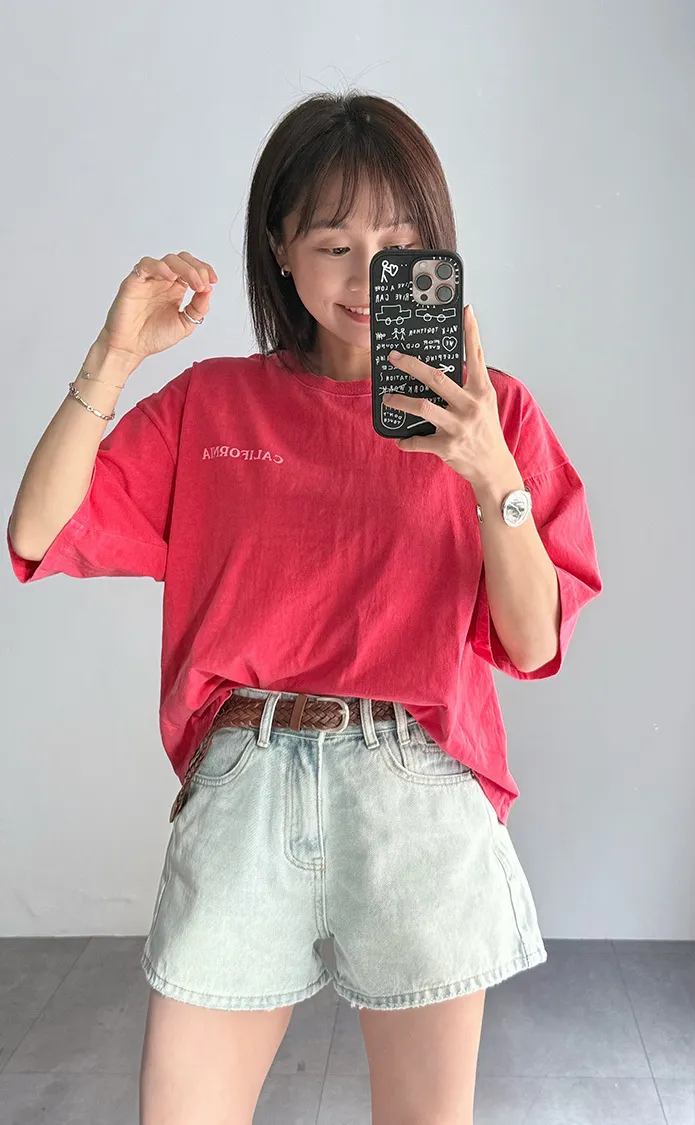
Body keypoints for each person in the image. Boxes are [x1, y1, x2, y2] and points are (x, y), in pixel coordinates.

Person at [7, 91, 602, 1125]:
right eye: (334, 244)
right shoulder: (213, 404)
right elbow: (35, 530)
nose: (368, 276)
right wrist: (114, 355)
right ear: (281, 249)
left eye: (399, 245)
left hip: (415, 781)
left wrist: (490, 471)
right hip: (246, 780)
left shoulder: (494, 413)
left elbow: (534, 638)